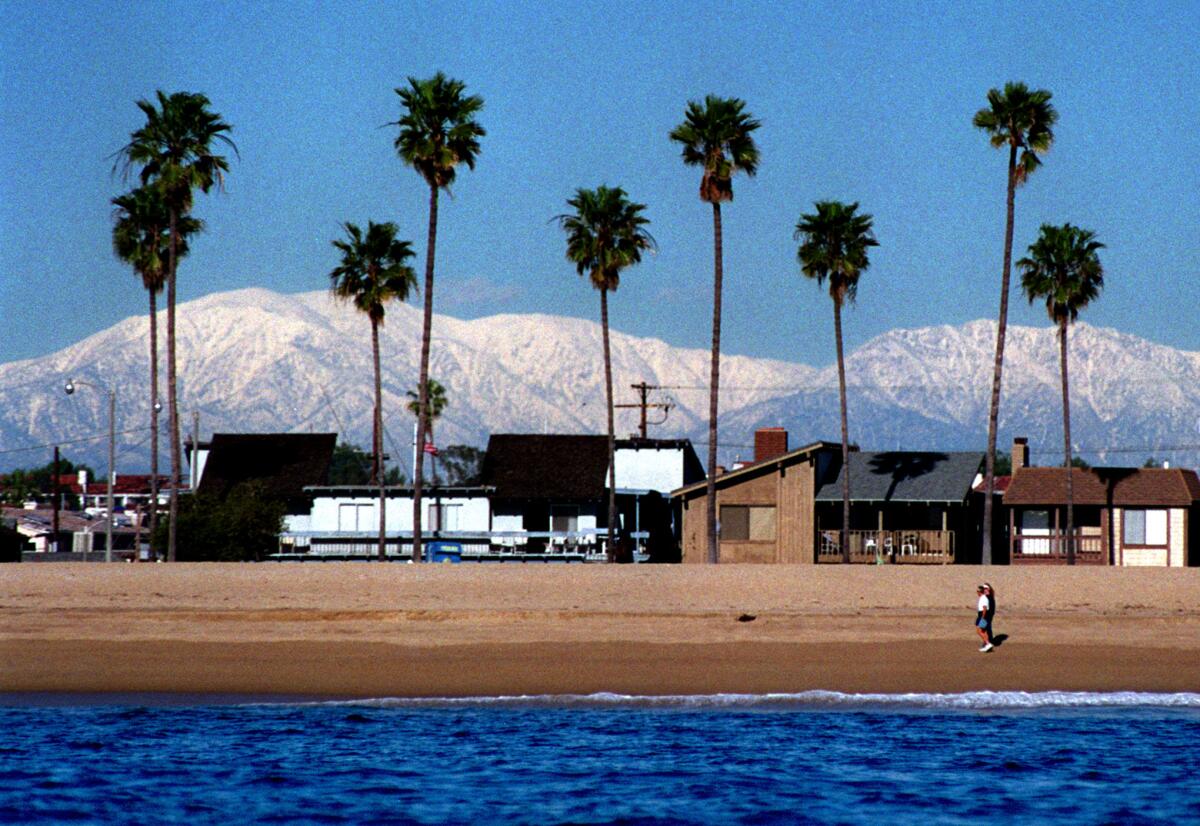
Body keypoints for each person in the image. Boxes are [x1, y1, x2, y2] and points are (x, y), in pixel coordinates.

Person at [976, 584, 994, 652]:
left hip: (983, 615)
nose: (977, 593)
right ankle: (987, 645)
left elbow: (985, 608)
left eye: (977, 591)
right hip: (981, 615)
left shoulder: (984, 598)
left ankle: (988, 644)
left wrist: (982, 618)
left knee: (979, 631)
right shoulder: (982, 598)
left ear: (980, 592)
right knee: (983, 631)